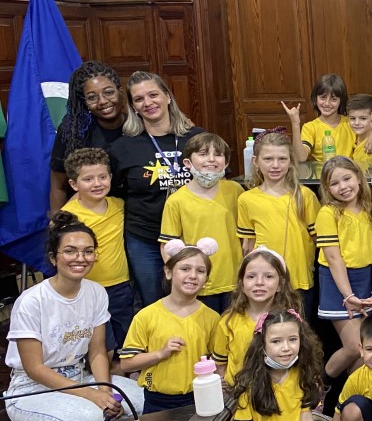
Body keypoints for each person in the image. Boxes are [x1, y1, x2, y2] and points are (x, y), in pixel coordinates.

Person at [4, 213, 144, 421]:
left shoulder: (96, 292)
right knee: (88, 420)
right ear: (53, 257)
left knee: (139, 400)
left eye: (88, 251)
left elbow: (97, 352)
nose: (80, 258)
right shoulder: (31, 301)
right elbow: (35, 368)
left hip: (80, 376)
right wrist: (91, 396)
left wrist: (104, 390)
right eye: (70, 251)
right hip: (31, 387)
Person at [109, 71, 203, 307]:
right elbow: (115, 192)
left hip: (193, 234)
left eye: (153, 95)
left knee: (198, 299)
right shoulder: (123, 148)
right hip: (145, 238)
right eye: (139, 99)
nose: (148, 103)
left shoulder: (198, 138)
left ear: (168, 97)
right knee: (154, 302)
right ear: (133, 107)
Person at [116, 239, 220, 413]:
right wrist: (159, 354)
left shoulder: (212, 318)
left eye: (200, 271)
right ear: (168, 272)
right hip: (156, 400)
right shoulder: (146, 316)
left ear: (206, 279)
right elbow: (126, 364)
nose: (193, 275)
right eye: (185, 269)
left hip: (198, 399)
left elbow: (217, 362)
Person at [315, 157, 372, 388]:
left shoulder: (370, 208)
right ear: (326, 188)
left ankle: (353, 394)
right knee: (355, 346)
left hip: (366, 279)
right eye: (334, 183)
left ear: (358, 177)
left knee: (366, 349)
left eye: (347, 178)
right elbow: (333, 258)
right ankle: (319, 386)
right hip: (338, 283)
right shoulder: (328, 213)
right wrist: (348, 296)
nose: (343, 187)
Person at [159, 133, 242, 314]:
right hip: (199, 286)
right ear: (188, 163)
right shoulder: (176, 201)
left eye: (218, 154)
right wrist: (181, 278)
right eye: (203, 154)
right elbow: (167, 245)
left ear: (226, 163)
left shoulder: (235, 191)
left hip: (234, 282)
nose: (211, 159)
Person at [62, 148, 132, 350]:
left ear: (110, 177)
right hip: (84, 288)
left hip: (120, 286)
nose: (97, 184)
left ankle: (124, 375)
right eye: (88, 179)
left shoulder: (119, 206)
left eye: (102, 177)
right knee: (97, 341)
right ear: (74, 184)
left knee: (124, 335)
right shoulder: (69, 216)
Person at [237, 130, 320, 299]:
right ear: (256, 161)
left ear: (290, 161)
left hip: (299, 280)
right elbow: (248, 245)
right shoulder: (246, 199)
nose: (275, 165)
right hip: (264, 283)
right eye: (268, 159)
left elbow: (317, 238)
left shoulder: (305, 196)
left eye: (282, 159)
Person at [211, 247, 303, 386]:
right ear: (242, 284)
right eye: (251, 276)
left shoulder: (290, 321)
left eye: (268, 276)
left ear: (280, 285)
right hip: (238, 399)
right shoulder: (227, 322)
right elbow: (220, 367)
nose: (259, 282)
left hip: (279, 398)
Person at [50, 62, 127, 211]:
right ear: (84, 102)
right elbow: (58, 186)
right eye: (92, 97)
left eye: (109, 92)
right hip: (88, 217)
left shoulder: (140, 126)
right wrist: (57, 225)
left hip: (132, 218)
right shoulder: (73, 131)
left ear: (120, 91)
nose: (103, 101)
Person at [284, 73, 356, 165]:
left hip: (349, 173)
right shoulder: (310, 127)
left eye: (333, 99)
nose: (327, 103)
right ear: (315, 98)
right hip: (322, 176)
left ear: (341, 100)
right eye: (323, 98)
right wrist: (295, 124)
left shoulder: (351, 122)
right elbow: (300, 158)